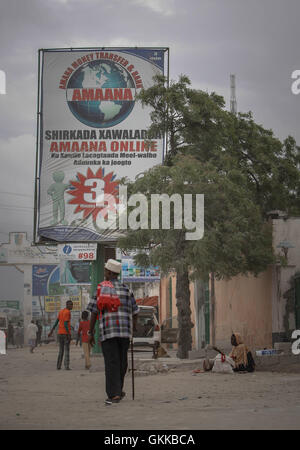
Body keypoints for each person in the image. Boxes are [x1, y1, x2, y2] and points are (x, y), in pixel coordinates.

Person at [87, 259, 139, 405]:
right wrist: (134, 327)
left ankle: (114, 394)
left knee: (111, 363)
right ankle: (118, 390)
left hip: (108, 332)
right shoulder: (127, 289)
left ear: (109, 273)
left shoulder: (100, 289)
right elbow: (135, 311)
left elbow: (94, 312)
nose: (104, 273)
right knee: (122, 363)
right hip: (124, 333)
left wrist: (90, 333)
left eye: (105, 271)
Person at [48, 300, 73, 370]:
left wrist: (51, 331)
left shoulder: (61, 311)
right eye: (70, 305)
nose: (72, 306)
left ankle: (58, 366)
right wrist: (68, 334)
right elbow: (65, 324)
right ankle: (66, 366)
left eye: (72, 305)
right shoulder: (68, 312)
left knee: (61, 350)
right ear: (67, 305)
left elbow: (56, 322)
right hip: (65, 334)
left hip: (60, 333)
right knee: (67, 350)